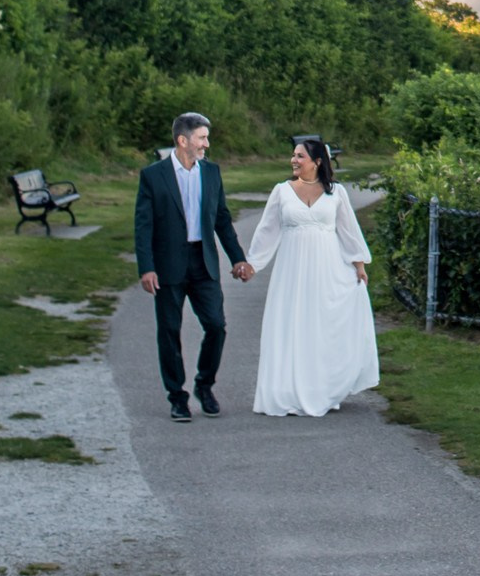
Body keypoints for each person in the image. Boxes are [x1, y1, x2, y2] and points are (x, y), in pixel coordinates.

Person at [244, 135, 379, 417]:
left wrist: (359, 266)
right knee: (291, 323)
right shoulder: (282, 191)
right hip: (291, 270)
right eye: (293, 155)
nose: (294, 160)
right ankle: (286, 390)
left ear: (318, 162)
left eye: (300, 156)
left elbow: (348, 230)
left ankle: (323, 387)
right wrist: (252, 264)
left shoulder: (336, 193)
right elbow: (267, 231)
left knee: (321, 326)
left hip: (326, 268)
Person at [133, 112, 253, 422]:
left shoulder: (211, 173)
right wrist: (146, 267)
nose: (207, 144)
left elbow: (222, 219)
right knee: (169, 331)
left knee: (216, 325)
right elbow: (143, 226)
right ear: (182, 140)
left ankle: (204, 385)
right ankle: (177, 397)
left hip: (204, 263)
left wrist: (238, 257)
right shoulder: (153, 176)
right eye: (202, 138)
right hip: (168, 265)